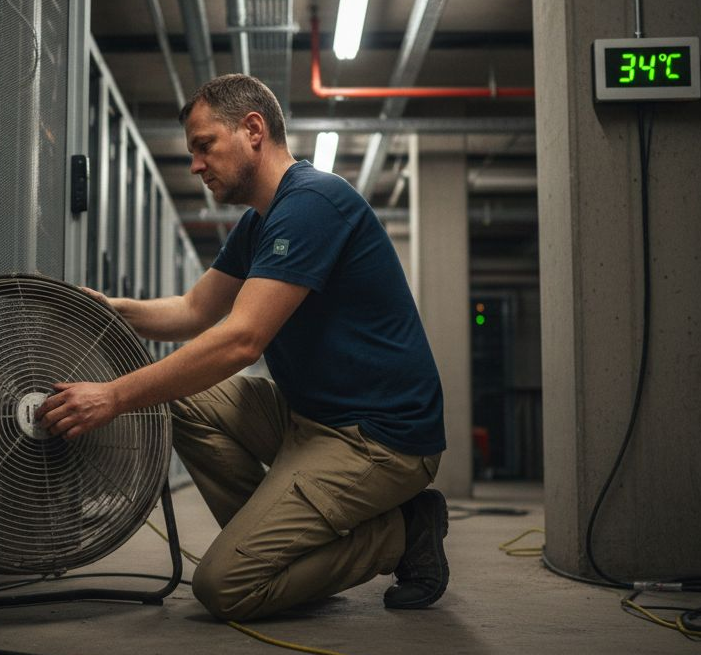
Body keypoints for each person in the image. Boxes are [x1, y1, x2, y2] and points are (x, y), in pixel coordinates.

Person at [36, 74, 447, 622]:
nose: (195, 165)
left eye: (204, 145)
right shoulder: (259, 223)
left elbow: (241, 341)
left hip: (378, 439)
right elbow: (194, 310)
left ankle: (403, 532)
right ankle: (282, 553)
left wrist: (113, 396)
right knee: (176, 398)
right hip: (311, 418)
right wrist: (110, 309)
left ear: (253, 129)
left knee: (224, 587)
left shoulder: (313, 203)